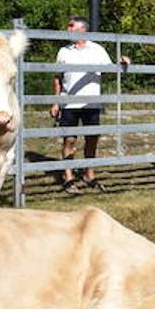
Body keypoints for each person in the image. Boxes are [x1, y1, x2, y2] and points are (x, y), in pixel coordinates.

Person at [49, 16, 130, 191]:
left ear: (83, 29)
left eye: (72, 26)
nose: (68, 29)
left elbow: (110, 69)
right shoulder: (64, 51)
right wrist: (56, 102)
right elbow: (57, 77)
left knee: (92, 140)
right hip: (69, 103)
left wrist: (122, 63)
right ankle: (68, 177)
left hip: (92, 102)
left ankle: (89, 174)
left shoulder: (97, 49)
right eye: (68, 26)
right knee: (69, 140)